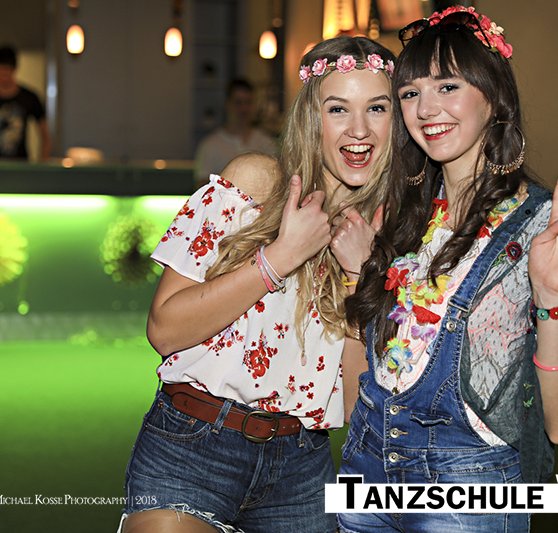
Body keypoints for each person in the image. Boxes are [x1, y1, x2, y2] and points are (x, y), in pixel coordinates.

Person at [338, 6, 558, 533]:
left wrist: (551, 292)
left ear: (493, 97)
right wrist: (361, 274)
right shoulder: (401, 218)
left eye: (448, 86)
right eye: (410, 93)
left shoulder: (541, 229)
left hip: (467, 490)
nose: (425, 109)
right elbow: (370, 378)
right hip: (365, 470)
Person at [119, 36, 396, 533]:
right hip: (194, 443)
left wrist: (359, 278)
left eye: (377, 108)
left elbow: (356, 406)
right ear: (312, 118)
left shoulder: (386, 236)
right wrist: (281, 256)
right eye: (338, 108)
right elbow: (164, 329)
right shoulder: (255, 183)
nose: (359, 129)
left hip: (302, 467)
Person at [193, 78, 278, 189]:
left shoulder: (266, 142)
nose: (244, 108)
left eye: (248, 102)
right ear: (227, 104)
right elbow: (202, 188)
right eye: (238, 102)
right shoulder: (210, 145)